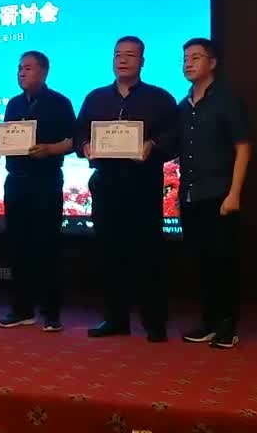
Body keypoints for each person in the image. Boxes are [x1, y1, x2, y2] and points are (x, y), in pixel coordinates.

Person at [77, 36, 178, 342]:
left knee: (149, 254)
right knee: (110, 254)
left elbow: (174, 136)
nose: (122, 60)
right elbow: (79, 133)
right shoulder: (95, 98)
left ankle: (154, 322)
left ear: (142, 62)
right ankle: (115, 319)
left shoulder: (160, 98)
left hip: (143, 185)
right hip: (106, 184)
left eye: (130, 55)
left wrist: (152, 145)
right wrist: (86, 146)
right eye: (118, 54)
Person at [177, 38, 251, 349]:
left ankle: (227, 326)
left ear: (213, 63)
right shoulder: (183, 106)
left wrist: (234, 193)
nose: (188, 63)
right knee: (201, 262)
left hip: (220, 195)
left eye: (196, 57)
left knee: (224, 262)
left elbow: (243, 147)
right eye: (185, 58)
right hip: (190, 195)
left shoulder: (227, 101)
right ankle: (208, 322)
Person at [0, 51, 76, 333]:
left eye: (28, 68)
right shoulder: (13, 104)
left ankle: (51, 312)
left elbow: (74, 140)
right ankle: (21, 309)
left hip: (45, 181)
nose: (21, 73)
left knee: (47, 246)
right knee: (17, 247)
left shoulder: (60, 102)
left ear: (44, 71)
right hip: (16, 182)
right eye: (19, 68)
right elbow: (8, 139)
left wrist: (51, 149)